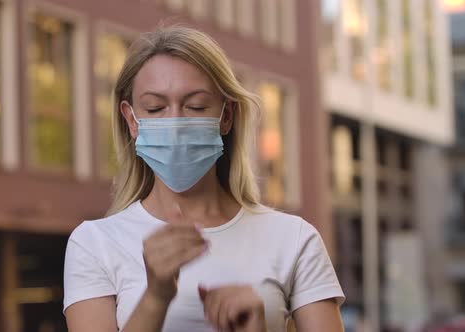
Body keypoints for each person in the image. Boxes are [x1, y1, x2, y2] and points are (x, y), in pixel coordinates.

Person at [63, 26, 345, 332]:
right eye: (155, 108)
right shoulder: (95, 243)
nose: (176, 123)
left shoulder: (294, 239)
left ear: (226, 116)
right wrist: (156, 298)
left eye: (195, 106)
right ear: (132, 120)